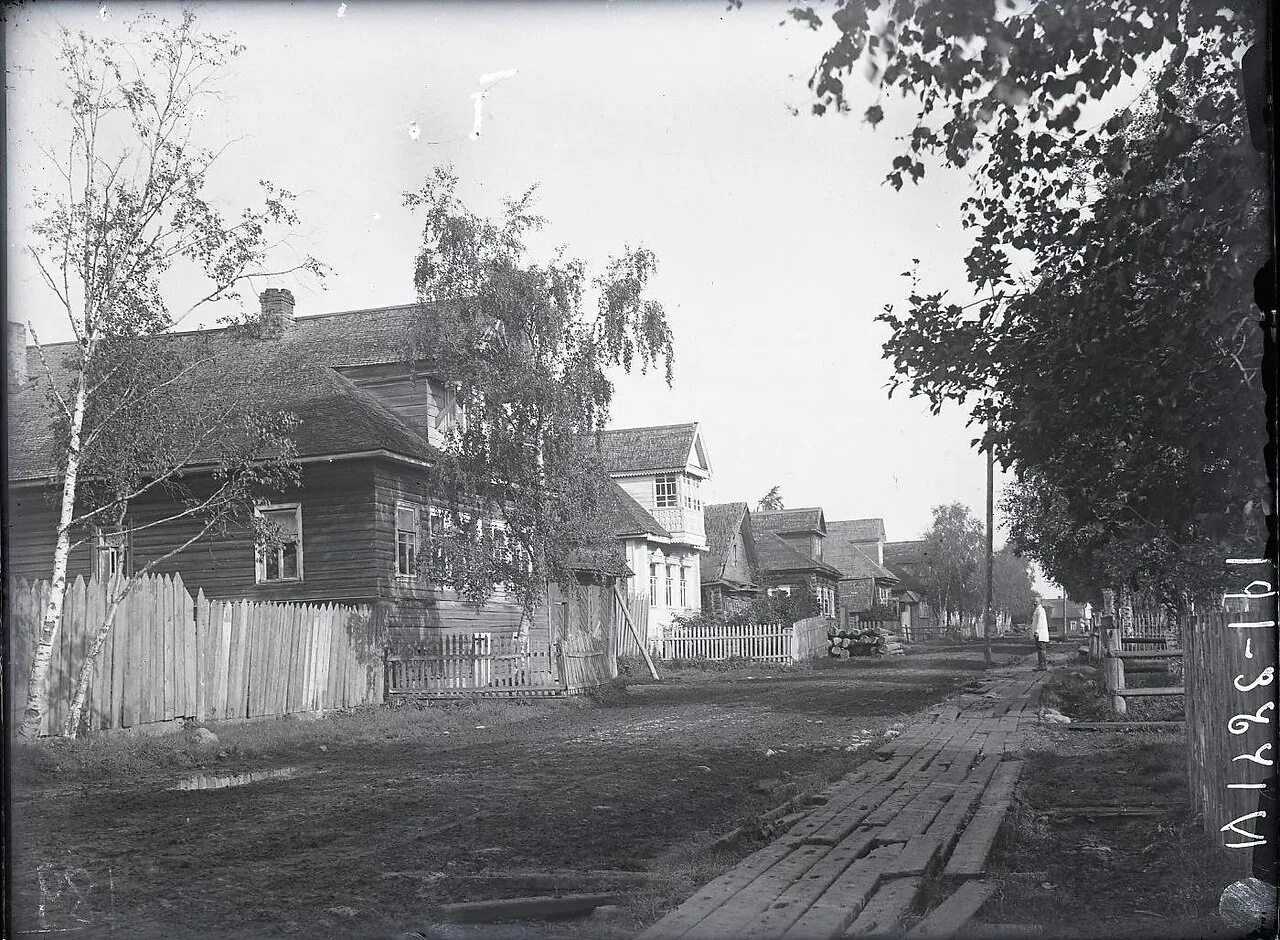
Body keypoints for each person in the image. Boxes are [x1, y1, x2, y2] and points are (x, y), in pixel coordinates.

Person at [1031, 604, 1049, 670]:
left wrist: (1037, 631)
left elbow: (1039, 622)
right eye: (1034, 602)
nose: (1034, 603)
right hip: (1041, 633)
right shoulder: (1038, 610)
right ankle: (1042, 665)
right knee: (1041, 649)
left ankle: (1042, 665)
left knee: (1041, 649)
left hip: (1040, 633)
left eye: (1036, 602)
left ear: (1039, 602)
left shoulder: (1040, 610)